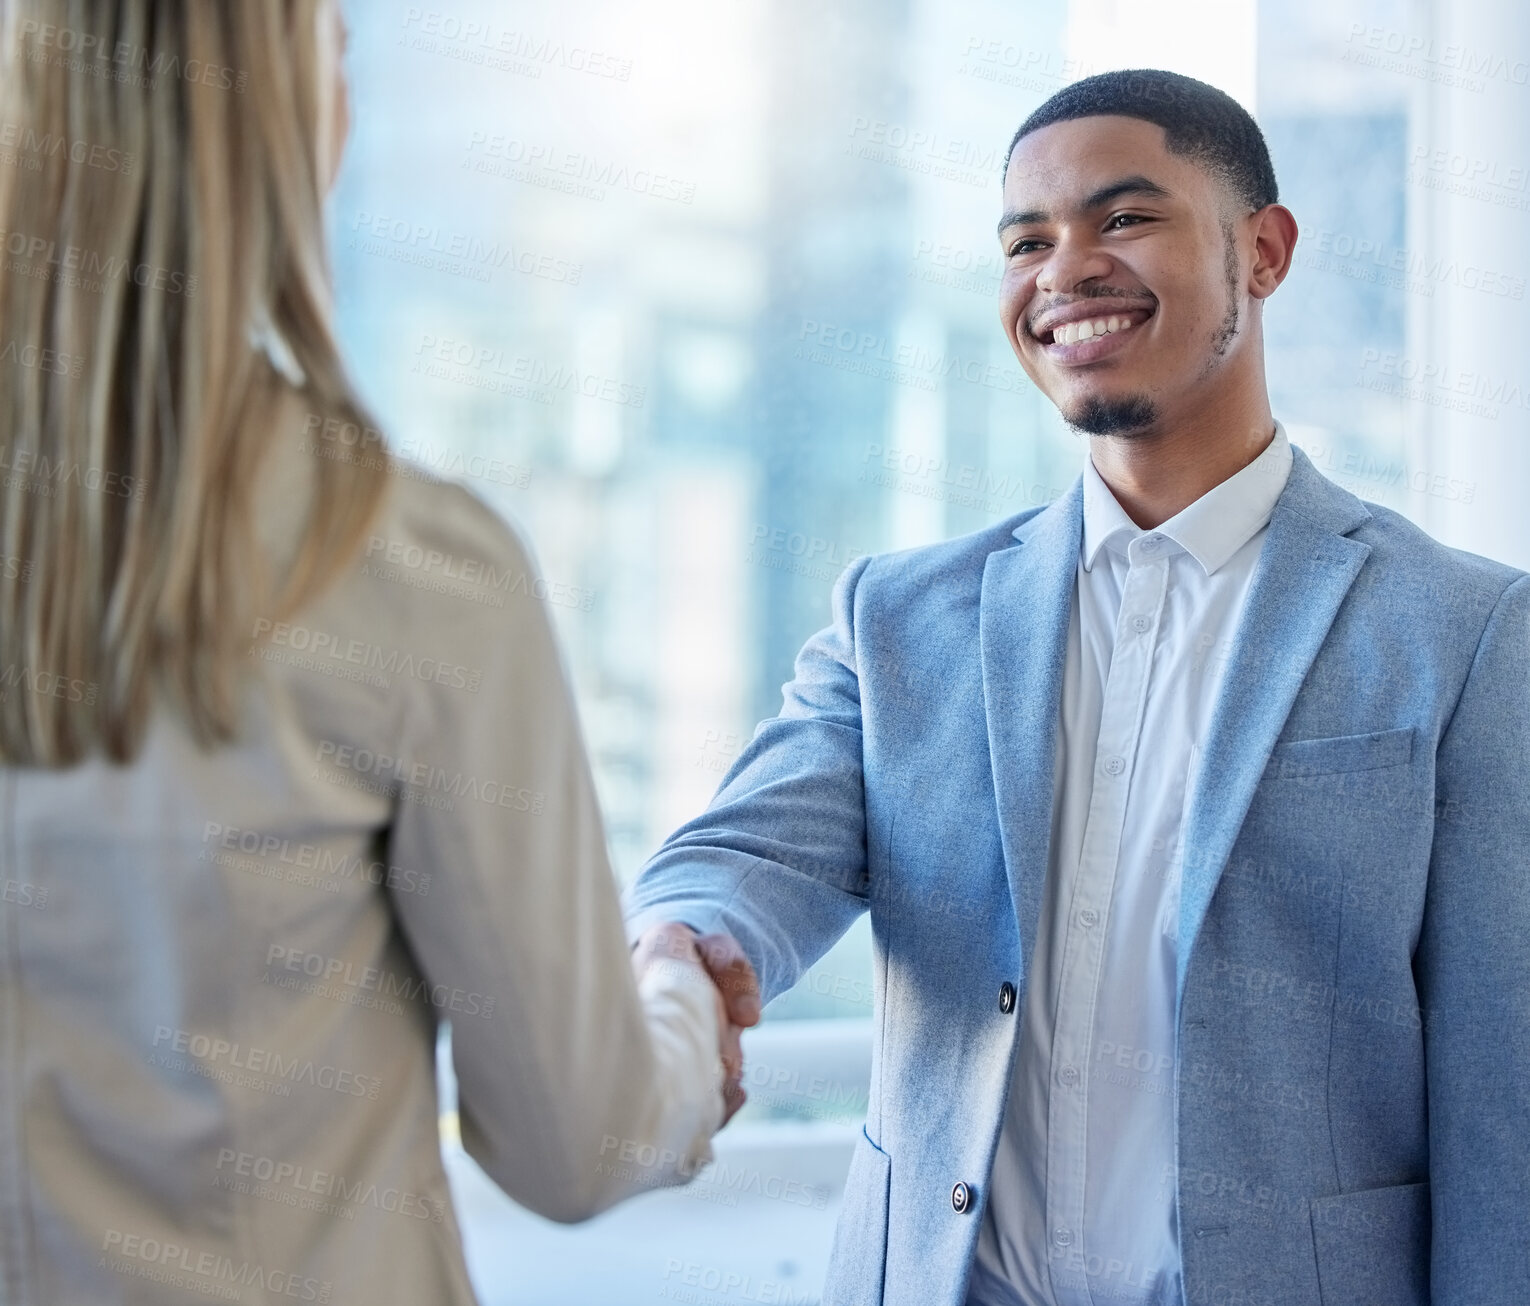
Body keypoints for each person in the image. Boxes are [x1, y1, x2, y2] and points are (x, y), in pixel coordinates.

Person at [627, 69, 1530, 1306]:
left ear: (1263, 252)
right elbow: (746, 855)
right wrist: (680, 945)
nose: (1065, 271)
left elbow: (1505, 1101)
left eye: (1124, 218)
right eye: (1026, 241)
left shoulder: (1466, 632)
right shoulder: (898, 619)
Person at [0, 2, 736, 1302]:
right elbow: (579, 1138)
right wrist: (675, 1001)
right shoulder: (402, 566)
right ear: (273, 118)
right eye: (337, 56)